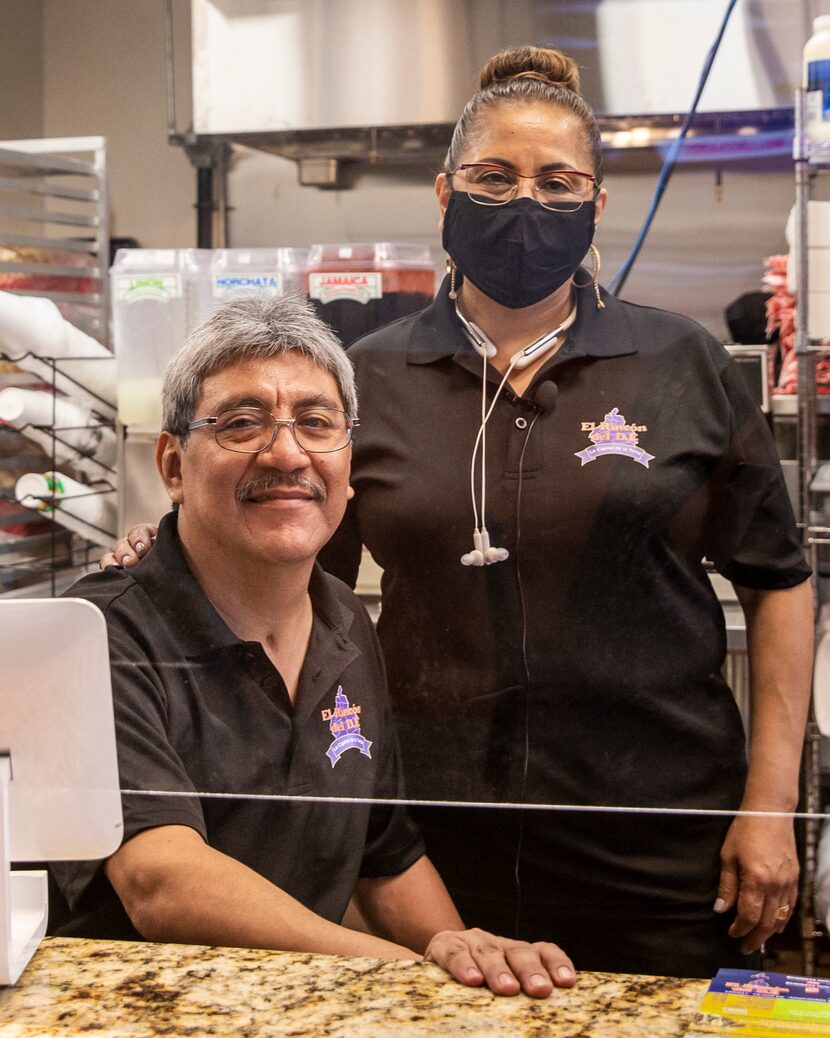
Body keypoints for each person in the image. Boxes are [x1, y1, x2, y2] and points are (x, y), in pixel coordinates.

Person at [106, 46, 813, 979]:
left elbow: (779, 581)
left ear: (598, 207)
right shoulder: (372, 377)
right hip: (433, 844)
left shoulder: (681, 363)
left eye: (559, 181)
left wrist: (769, 806)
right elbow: (294, 559)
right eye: (494, 176)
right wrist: (172, 544)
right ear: (445, 197)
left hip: (658, 837)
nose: (526, 202)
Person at [52, 295, 576, 999]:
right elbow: (161, 879)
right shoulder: (102, 632)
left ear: (347, 463)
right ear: (173, 465)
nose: (287, 452)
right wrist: (402, 974)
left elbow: (385, 854)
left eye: (316, 422)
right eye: (241, 423)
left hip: (306, 1008)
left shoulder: (345, 622)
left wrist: (460, 962)